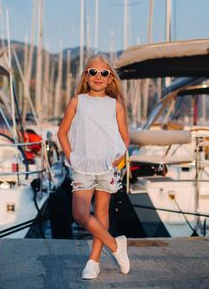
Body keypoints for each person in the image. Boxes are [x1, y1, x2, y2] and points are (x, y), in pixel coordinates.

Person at [57, 55, 130, 280]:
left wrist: (117, 160)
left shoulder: (115, 105)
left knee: (101, 212)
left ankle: (94, 261)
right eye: (93, 72)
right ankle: (116, 245)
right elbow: (62, 132)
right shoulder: (77, 101)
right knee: (79, 214)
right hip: (82, 164)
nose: (98, 76)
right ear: (86, 77)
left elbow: (125, 137)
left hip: (107, 164)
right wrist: (72, 157)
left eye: (104, 73)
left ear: (110, 80)